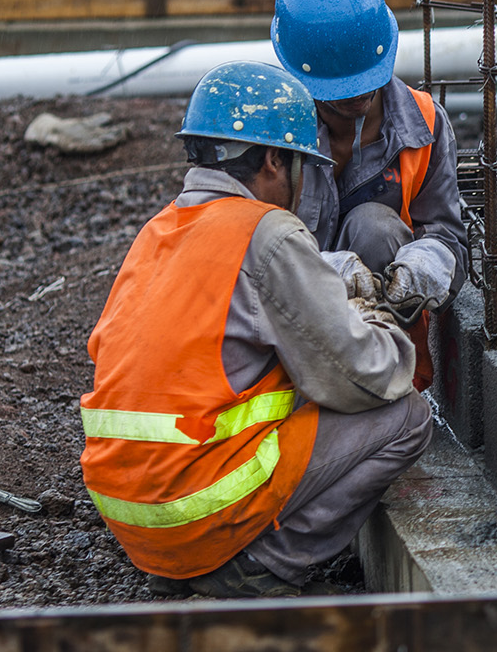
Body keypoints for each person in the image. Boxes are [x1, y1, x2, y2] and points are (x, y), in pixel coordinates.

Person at [79, 61, 432, 598]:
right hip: (192, 508)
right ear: (273, 159)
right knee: (405, 414)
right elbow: (367, 375)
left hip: (129, 512)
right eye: (298, 166)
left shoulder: (157, 232)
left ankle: (194, 560)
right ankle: (262, 566)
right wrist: (376, 317)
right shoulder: (264, 231)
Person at [270, 0, 467, 387]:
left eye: (366, 84)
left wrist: (428, 263)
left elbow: (449, 235)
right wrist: (318, 272)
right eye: (342, 92)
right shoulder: (273, 130)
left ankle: (387, 384)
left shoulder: (424, 124)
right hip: (284, 321)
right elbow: (239, 243)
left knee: (375, 227)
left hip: (382, 336)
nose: (359, 98)